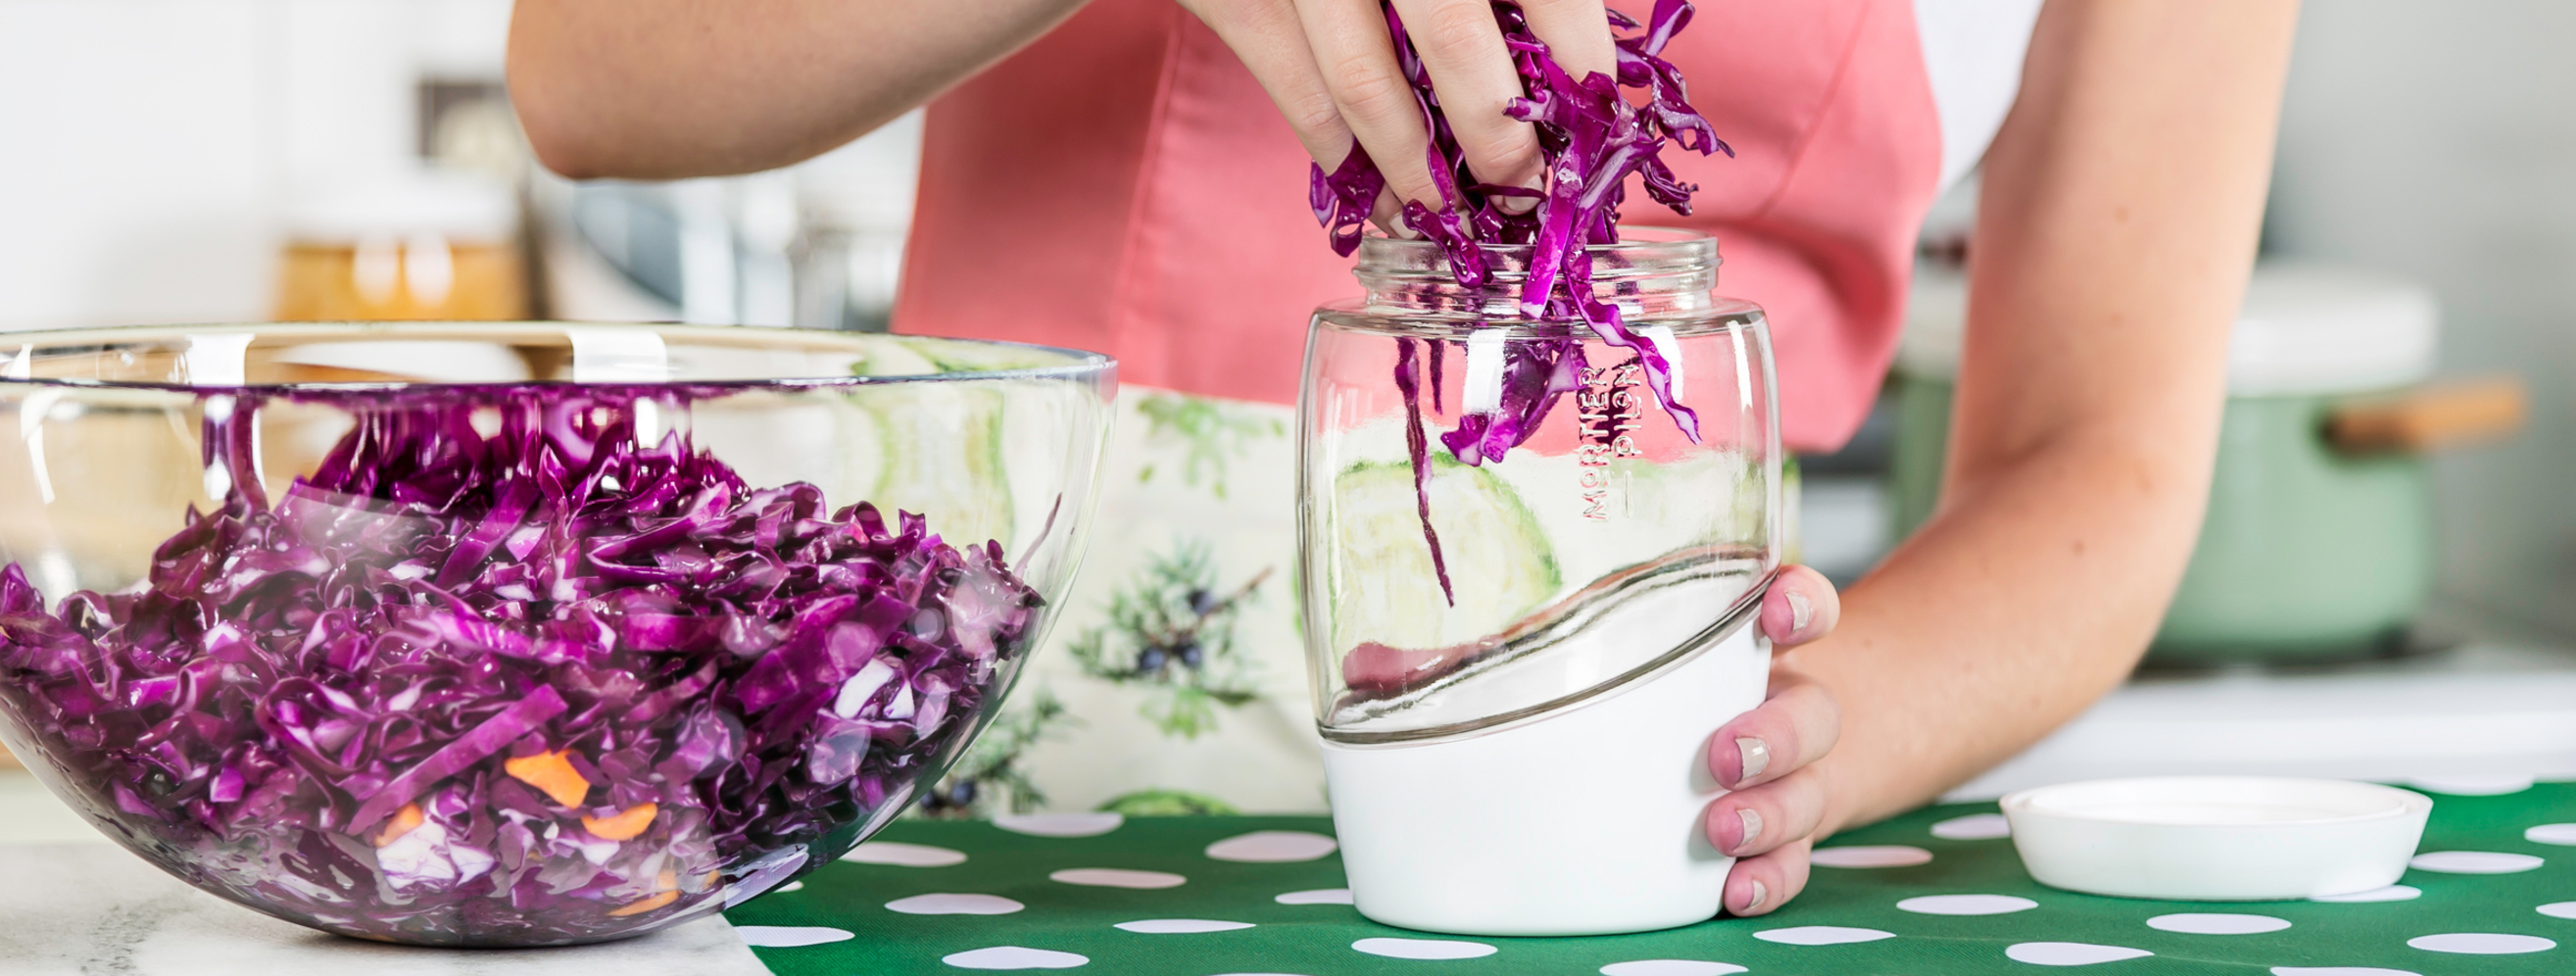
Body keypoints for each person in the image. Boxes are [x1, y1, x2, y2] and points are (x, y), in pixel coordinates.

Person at [508, 0, 2300, 916]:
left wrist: (1810, 745)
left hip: (1628, 845)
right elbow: (596, 74)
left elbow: (2103, 455)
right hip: (964, 816)